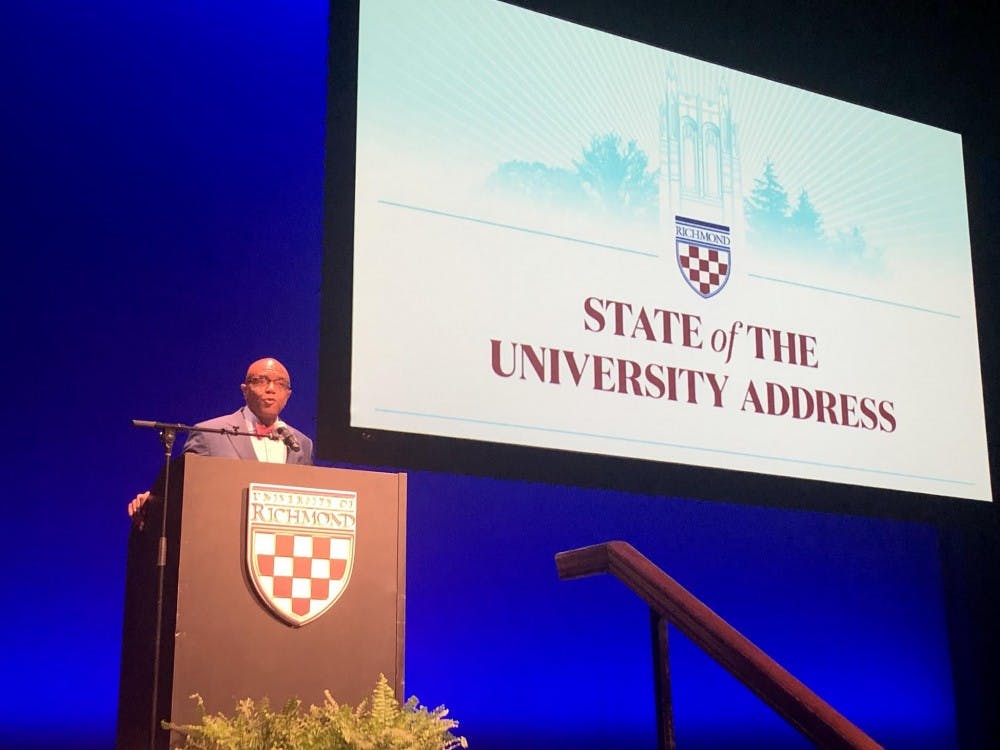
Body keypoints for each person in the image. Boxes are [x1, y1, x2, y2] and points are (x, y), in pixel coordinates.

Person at [127, 357, 314, 520]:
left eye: (280, 383)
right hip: (223, 536)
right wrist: (155, 501)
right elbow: (184, 487)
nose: (271, 389)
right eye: (261, 381)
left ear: (288, 395)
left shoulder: (301, 444)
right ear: (245, 390)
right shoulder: (209, 433)